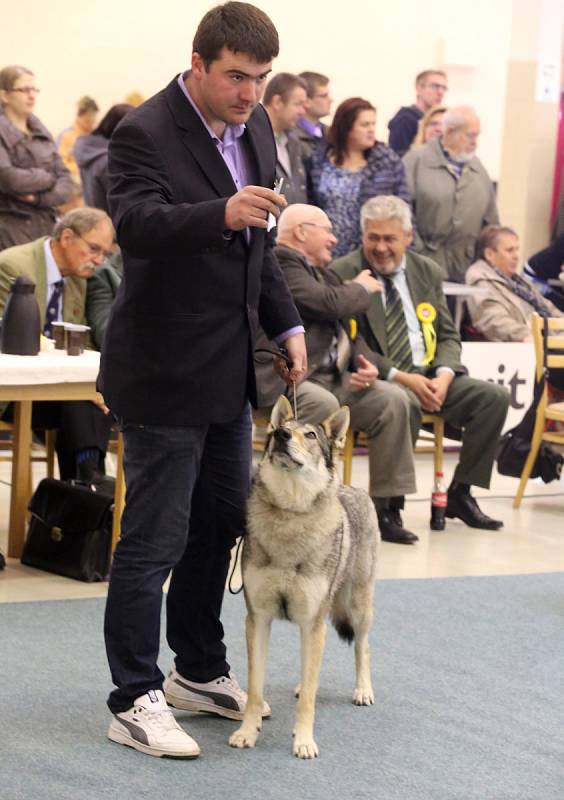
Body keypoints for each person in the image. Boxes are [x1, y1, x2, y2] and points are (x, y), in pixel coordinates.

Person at [100, 1, 306, 760]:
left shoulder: (256, 127)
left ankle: (195, 669)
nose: (249, 94)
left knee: (221, 527)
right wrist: (219, 210)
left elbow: (262, 238)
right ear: (198, 65)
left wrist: (284, 326)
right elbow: (138, 225)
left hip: (230, 371)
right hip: (159, 370)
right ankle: (133, 697)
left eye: (260, 79)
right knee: (153, 540)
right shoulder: (143, 131)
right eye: (235, 78)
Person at [331, 195, 510, 530]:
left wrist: (443, 375)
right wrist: (402, 377)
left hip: (431, 375)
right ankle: (387, 507)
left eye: (389, 239)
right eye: (373, 238)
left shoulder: (426, 270)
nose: (381, 248)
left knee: (493, 398)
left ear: (408, 238)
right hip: (383, 379)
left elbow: (447, 334)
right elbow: (351, 342)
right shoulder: (344, 272)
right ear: (363, 236)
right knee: (403, 400)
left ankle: (460, 492)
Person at [255, 203, 420, 544]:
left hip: (334, 378)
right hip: (290, 380)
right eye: (326, 230)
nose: (334, 239)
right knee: (324, 402)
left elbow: (348, 330)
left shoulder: (325, 273)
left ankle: (386, 508)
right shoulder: (282, 262)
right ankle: (296, 503)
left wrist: (366, 366)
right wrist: (360, 288)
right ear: (301, 232)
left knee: (392, 400)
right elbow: (327, 303)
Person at [0, 207, 115, 488]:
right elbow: (9, 337)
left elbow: (82, 339)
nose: (98, 261)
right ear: (66, 237)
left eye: (104, 253)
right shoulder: (14, 267)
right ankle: (89, 488)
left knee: (88, 396)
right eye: (93, 249)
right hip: (14, 393)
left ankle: (84, 489)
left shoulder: (78, 279)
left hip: (56, 396)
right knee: (82, 399)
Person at [403, 106, 499, 283]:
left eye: (477, 136)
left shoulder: (478, 169)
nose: (475, 142)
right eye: (470, 135)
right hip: (421, 265)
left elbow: (491, 223)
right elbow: (402, 212)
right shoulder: (416, 161)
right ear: (450, 132)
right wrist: (419, 251)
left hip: (464, 269)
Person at [307, 97, 412, 259]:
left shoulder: (387, 162)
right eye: (365, 125)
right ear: (346, 128)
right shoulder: (319, 159)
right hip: (325, 249)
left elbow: (405, 208)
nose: (371, 130)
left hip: (369, 252)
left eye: (373, 124)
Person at [0, 65, 74, 250]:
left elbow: (66, 182)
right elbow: (9, 178)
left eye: (34, 89)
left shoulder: (42, 132)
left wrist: (37, 199)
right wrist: (47, 177)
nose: (32, 95)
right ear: (5, 96)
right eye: (24, 90)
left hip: (47, 224)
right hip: (11, 228)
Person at [466, 225, 564, 346]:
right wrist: (527, 335)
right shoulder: (480, 279)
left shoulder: (517, 280)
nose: (516, 256)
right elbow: (493, 320)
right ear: (489, 254)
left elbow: (548, 307)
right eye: (509, 250)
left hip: (549, 340)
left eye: (517, 249)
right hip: (519, 348)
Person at [74, 104, 133, 213]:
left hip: (96, 222)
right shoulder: (108, 160)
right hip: (110, 225)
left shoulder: (90, 151)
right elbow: (124, 204)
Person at [262, 73, 307, 204]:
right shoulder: (250, 140)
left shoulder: (294, 143)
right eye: (298, 104)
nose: (302, 111)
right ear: (277, 102)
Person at [388, 70, 448, 156]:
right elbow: (398, 158)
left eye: (444, 88)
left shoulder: (443, 118)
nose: (440, 92)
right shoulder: (404, 120)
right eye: (435, 86)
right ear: (419, 88)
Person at [57, 96, 99, 184]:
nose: (91, 125)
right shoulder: (66, 136)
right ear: (79, 116)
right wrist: (82, 169)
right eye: (88, 121)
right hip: (75, 179)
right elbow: (60, 164)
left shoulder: (98, 135)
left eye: (94, 121)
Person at [296, 71, 332, 157]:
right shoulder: (289, 135)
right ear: (306, 101)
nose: (330, 100)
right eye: (324, 96)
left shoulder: (331, 133)